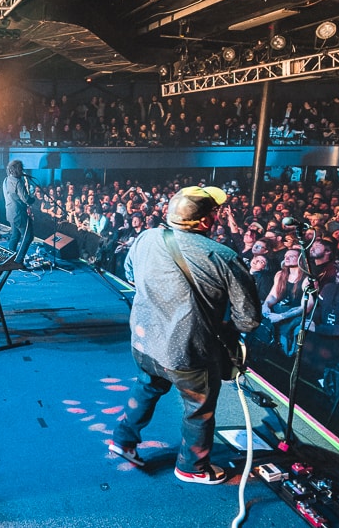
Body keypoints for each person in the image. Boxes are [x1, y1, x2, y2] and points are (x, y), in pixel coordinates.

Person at [109, 186, 261, 485]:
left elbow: (130, 274)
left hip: (144, 343)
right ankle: (192, 467)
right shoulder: (223, 256)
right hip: (188, 352)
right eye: (215, 214)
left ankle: (122, 441)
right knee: (198, 410)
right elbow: (249, 319)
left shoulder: (146, 237)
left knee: (147, 387)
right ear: (205, 222)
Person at [3, 159, 35, 252]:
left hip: (10, 212)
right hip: (18, 214)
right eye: (21, 169)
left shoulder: (6, 179)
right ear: (17, 169)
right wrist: (32, 199)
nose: (22, 171)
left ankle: (10, 257)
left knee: (15, 235)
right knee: (28, 237)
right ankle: (19, 259)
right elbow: (25, 199)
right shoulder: (18, 182)